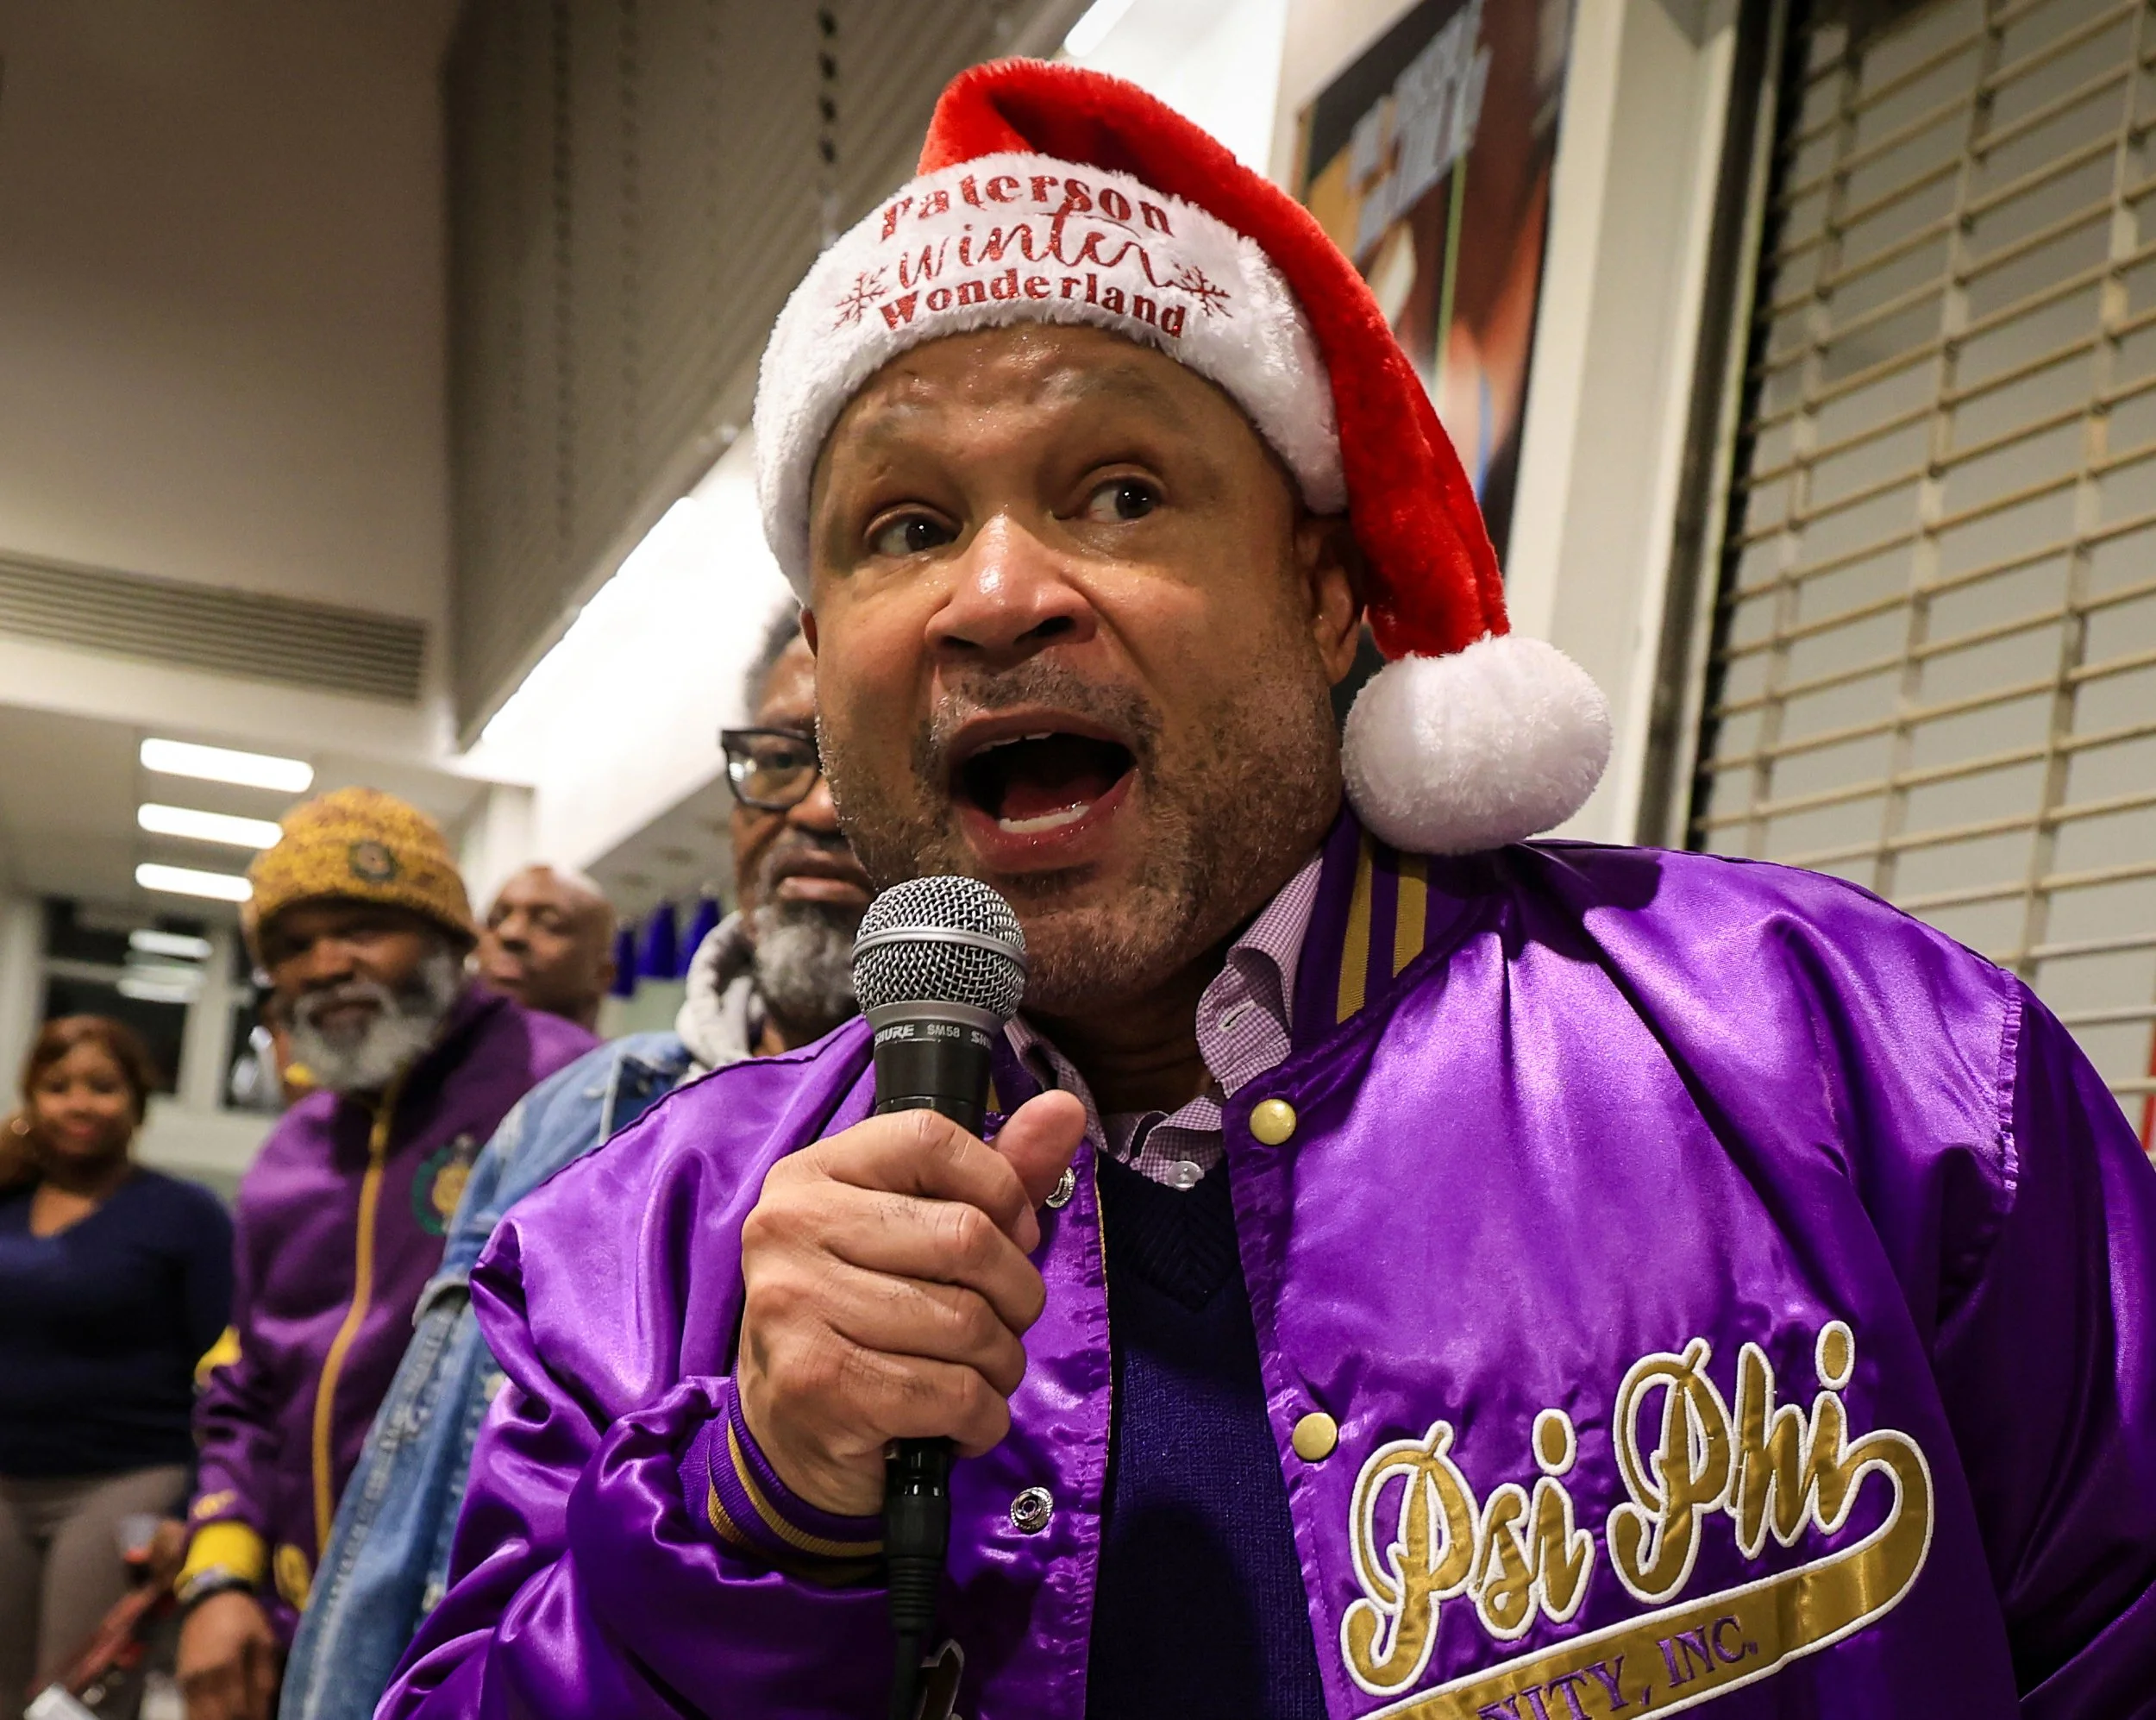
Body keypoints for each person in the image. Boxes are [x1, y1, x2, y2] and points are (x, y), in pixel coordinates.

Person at [384, 63, 2156, 1720]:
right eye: (901, 528)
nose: (993, 594)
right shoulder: (632, 1254)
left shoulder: (1847, 1057)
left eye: (1121, 490)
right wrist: (750, 1516)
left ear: (1325, 598)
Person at [279, 609, 871, 1720]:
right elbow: (416, 1497)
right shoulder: (584, 1110)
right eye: (782, 758)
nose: (820, 808)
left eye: (865, 758)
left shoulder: (1025, 1128)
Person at [173, 788, 596, 1720]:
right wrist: (219, 1575)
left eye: (364, 927)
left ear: (446, 934)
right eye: (292, 945)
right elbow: (244, 1382)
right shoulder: (288, 1155)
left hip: (490, 1635)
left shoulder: (570, 1090)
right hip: (294, 1630)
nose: (326, 964)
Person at [0, 1017, 232, 1704]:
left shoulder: (186, 1216)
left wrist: (196, 1504)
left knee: (73, 1700)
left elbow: (226, 1372)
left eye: (102, 1087)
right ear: (31, 1099)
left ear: (137, 1101)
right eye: (58, 1087)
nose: (78, 1104)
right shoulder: (6, 1205)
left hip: (121, 1484)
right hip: (5, 1484)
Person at [473, 864, 616, 1032]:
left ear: (602, 975)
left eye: (549, 923)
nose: (509, 933)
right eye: (496, 920)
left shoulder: (623, 1057)